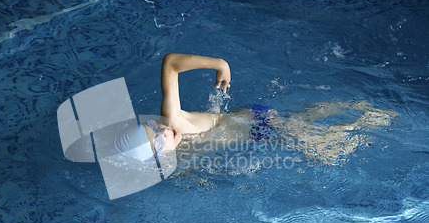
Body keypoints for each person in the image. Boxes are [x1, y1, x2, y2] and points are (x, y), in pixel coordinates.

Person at [115, 53, 397, 165]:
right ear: (157, 157)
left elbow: (170, 63)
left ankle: (370, 123)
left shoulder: (174, 120)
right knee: (305, 120)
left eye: (153, 126)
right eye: (158, 137)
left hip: (254, 124)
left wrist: (219, 64)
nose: (163, 128)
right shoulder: (172, 160)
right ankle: (353, 107)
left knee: (323, 153)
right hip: (250, 124)